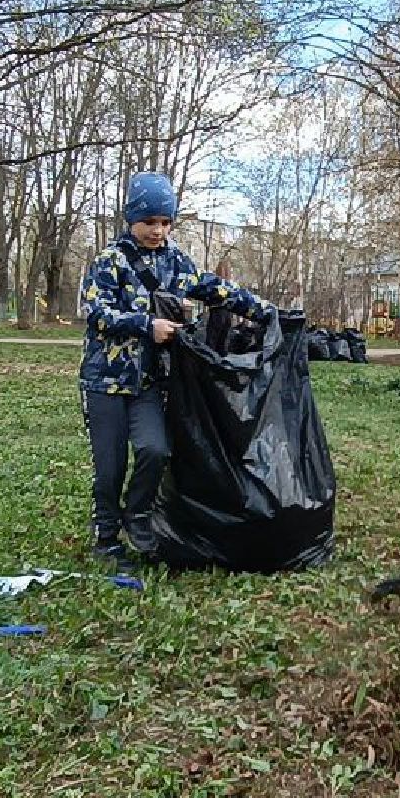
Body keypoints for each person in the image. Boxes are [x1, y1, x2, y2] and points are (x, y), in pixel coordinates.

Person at [80, 172, 273, 564]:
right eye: (149, 221)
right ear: (131, 218)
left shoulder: (176, 262)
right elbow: (95, 312)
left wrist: (264, 311)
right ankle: (106, 538)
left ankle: (137, 517)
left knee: (155, 450)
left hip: (149, 383)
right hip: (105, 382)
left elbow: (214, 288)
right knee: (110, 467)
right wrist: (146, 326)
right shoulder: (109, 261)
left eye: (165, 222)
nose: (158, 230)